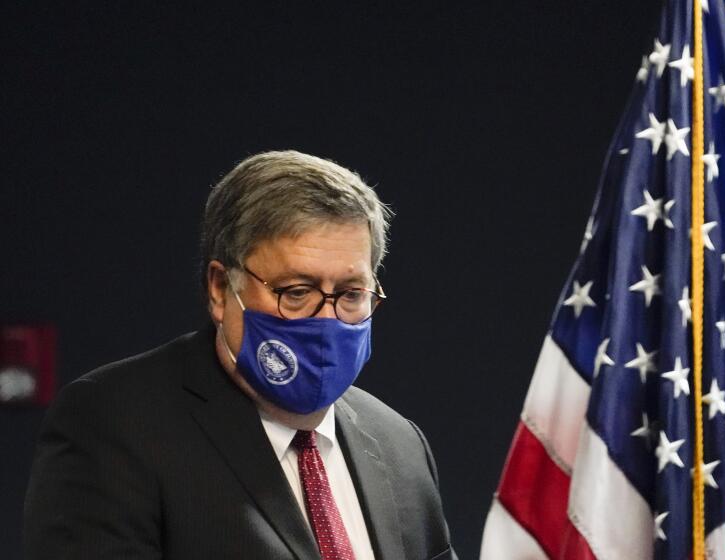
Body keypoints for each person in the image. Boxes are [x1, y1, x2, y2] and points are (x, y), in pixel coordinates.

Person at [23, 151, 457, 560]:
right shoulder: (115, 425)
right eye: (296, 292)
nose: (327, 320)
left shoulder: (400, 444)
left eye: (350, 294)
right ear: (220, 288)